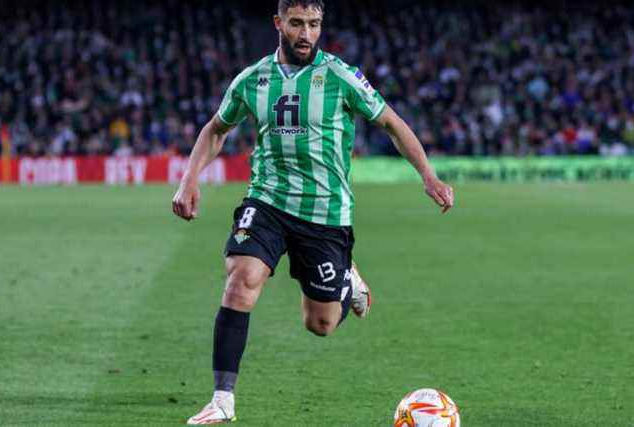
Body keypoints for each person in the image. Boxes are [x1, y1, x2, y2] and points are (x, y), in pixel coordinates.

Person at [171, 0, 454, 423]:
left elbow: (392, 123)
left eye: (315, 24)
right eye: (298, 23)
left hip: (324, 213)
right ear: (278, 23)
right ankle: (222, 399)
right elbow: (216, 129)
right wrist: (189, 179)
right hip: (267, 199)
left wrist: (428, 176)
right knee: (241, 279)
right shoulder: (253, 80)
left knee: (320, 323)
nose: (306, 33)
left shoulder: (341, 77)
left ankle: (346, 281)